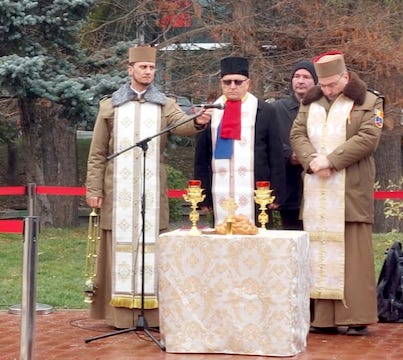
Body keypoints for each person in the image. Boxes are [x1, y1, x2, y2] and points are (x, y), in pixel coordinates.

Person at [85, 45, 206, 328]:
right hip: (117, 191)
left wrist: (198, 121)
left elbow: (182, 125)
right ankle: (120, 316)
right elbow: (97, 151)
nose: (148, 72)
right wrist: (94, 189)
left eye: (151, 68)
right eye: (142, 67)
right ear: (130, 70)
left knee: (153, 249)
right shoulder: (110, 105)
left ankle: (151, 315)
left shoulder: (165, 104)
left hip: (151, 192)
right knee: (118, 249)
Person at [289, 52, 383, 335]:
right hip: (317, 188)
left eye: (332, 84)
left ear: (345, 77)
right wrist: (312, 160)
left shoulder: (369, 100)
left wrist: (331, 160)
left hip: (350, 189)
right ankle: (323, 319)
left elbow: (368, 137)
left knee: (352, 254)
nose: (328, 90)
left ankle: (355, 316)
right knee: (318, 252)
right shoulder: (311, 101)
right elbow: (297, 134)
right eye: (324, 85)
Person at [193, 56, 282, 226]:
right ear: (221, 83)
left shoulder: (264, 110)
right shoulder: (210, 111)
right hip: (220, 189)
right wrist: (202, 195)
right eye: (227, 82)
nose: (232, 86)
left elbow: (275, 153)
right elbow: (201, 157)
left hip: (257, 191)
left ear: (247, 83)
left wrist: (276, 192)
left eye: (238, 82)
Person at [268, 59, 317, 230]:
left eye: (306, 77)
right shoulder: (276, 109)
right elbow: (270, 142)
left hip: (318, 180)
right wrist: (288, 155)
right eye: (297, 76)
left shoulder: (322, 109)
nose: (301, 80)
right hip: (289, 186)